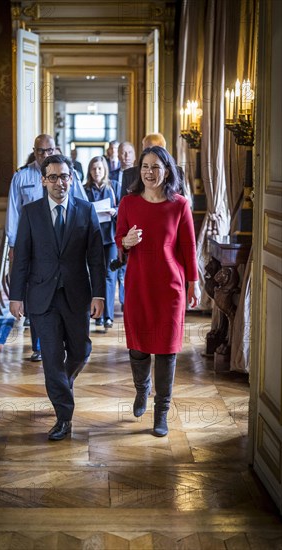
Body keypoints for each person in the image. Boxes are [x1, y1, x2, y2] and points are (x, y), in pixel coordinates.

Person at [9, 154, 106, 441]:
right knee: (51, 358)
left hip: (77, 295)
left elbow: (96, 259)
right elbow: (22, 259)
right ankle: (64, 417)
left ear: (71, 178)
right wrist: (16, 296)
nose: (59, 182)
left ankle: (65, 380)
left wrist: (99, 294)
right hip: (42, 298)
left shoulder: (85, 211)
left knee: (81, 350)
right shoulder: (31, 212)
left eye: (64, 176)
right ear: (43, 180)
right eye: (52, 177)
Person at [115, 146, 201, 437]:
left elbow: (188, 247)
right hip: (138, 285)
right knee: (138, 346)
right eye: (145, 167)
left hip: (170, 288)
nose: (149, 173)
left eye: (156, 167)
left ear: (167, 171)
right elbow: (119, 241)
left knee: (167, 351)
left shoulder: (179, 205)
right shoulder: (128, 203)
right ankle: (142, 390)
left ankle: (161, 411)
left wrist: (194, 282)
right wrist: (125, 241)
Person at [6, 135, 87, 362]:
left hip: (63, 242)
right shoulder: (22, 177)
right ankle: (40, 346)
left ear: (55, 149)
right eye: (40, 151)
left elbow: (81, 203)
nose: (44, 155)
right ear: (34, 151)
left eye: (48, 150)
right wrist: (13, 244)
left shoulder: (68, 174)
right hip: (32, 244)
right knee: (37, 294)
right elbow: (13, 211)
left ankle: (59, 342)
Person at [84, 156, 119, 329]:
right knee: (93, 275)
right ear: (89, 171)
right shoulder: (85, 189)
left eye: (99, 168)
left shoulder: (113, 187)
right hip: (92, 237)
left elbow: (123, 207)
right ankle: (96, 314)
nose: (96, 172)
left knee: (109, 275)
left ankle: (108, 316)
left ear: (104, 170)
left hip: (110, 237)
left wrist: (115, 211)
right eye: (93, 169)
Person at [110, 141, 136, 310]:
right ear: (117, 155)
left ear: (134, 155)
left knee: (129, 269)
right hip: (112, 225)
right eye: (122, 152)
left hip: (132, 225)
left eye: (129, 152)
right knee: (116, 267)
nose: (125, 156)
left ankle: (128, 303)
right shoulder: (110, 175)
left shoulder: (140, 175)